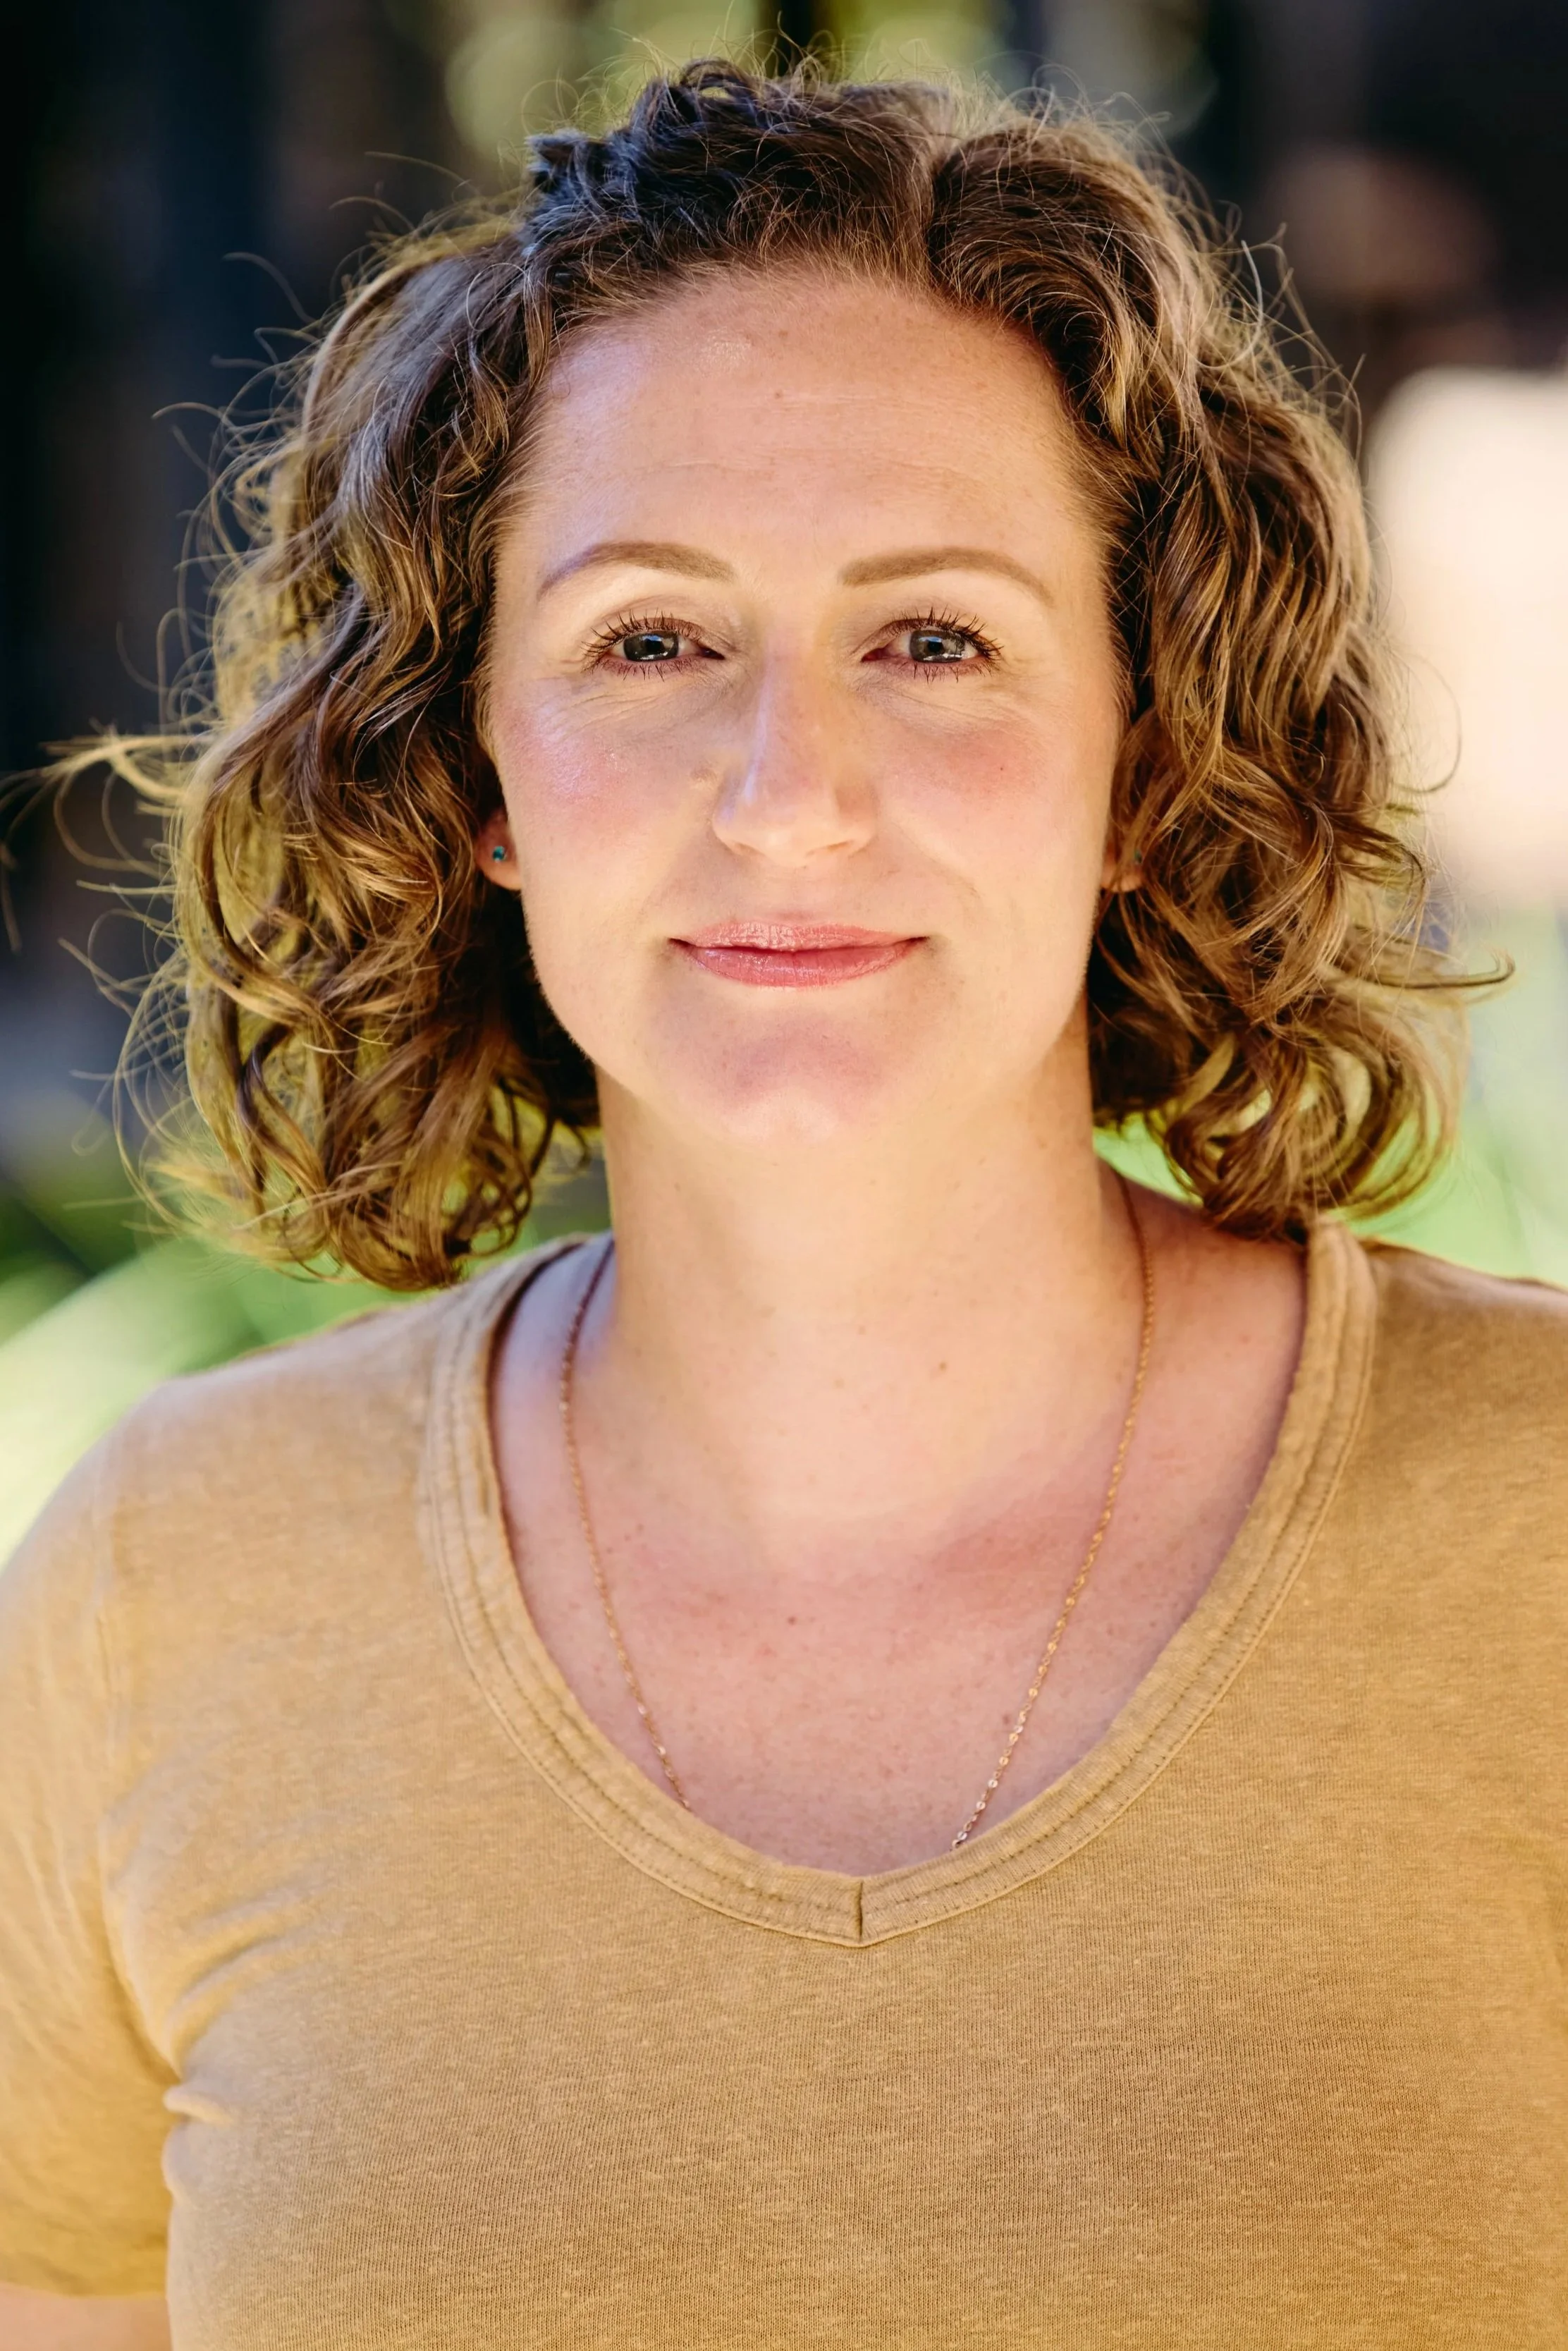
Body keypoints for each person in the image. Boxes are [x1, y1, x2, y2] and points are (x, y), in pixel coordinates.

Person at [1, 59, 1564, 2351]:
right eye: (652, 639)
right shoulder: (169, 1581)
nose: (791, 796)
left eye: (934, 639)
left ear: (1143, 748)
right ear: (476, 767)